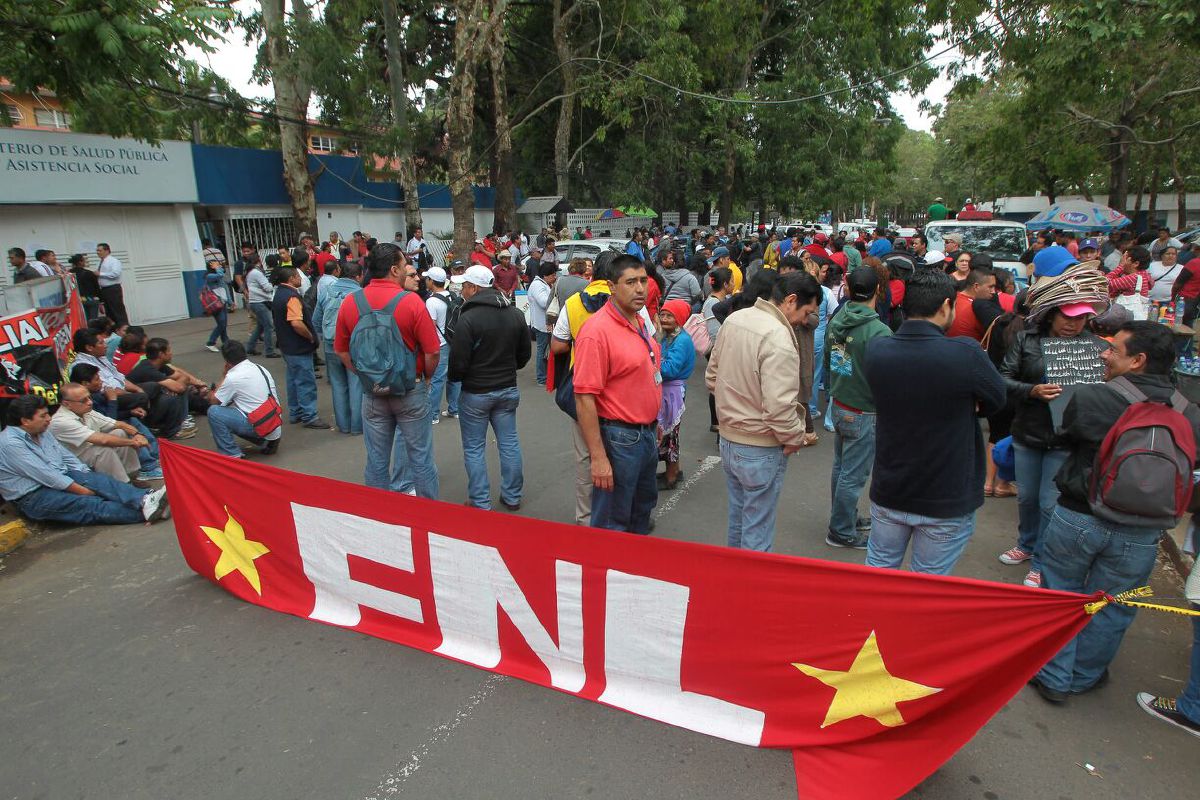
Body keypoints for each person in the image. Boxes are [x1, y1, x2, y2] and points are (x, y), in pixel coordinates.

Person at [1029, 322, 1200, 704]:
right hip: (1141, 532)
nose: (1105, 354)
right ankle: (1082, 675)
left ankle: (1054, 674)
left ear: (1138, 361)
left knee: (1059, 593)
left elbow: (1066, 434)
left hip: (1079, 514)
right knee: (1113, 606)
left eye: (1115, 350)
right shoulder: (1189, 414)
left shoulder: (1093, 398)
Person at [864, 269, 1007, 574]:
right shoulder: (965, 354)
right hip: (945, 495)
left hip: (891, 488)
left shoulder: (878, 349)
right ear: (946, 306)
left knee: (877, 576)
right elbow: (997, 400)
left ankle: (875, 624)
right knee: (927, 587)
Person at [706, 271, 820, 551]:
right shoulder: (778, 337)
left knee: (739, 519)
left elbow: (712, 377)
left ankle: (736, 581)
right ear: (791, 301)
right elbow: (779, 408)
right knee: (757, 527)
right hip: (760, 446)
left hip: (730, 440)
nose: (806, 321)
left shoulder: (736, 319)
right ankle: (750, 590)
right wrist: (795, 437)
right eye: (807, 312)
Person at [998, 297, 1106, 587]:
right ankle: (1026, 543)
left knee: (1049, 503)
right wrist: (1031, 390)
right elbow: (1003, 379)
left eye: (1081, 318)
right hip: (1028, 433)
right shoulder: (1025, 340)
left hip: (1066, 439)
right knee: (1026, 497)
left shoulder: (1095, 348)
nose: (1073, 324)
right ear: (1051, 315)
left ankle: (1042, 561)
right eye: (1068, 317)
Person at [335, 243, 441, 497]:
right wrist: (426, 378)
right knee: (421, 459)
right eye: (405, 265)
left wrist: (364, 375)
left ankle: (380, 520)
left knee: (376, 461)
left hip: (372, 392)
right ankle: (431, 519)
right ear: (394, 270)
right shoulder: (411, 303)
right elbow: (433, 351)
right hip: (409, 388)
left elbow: (341, 351)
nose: (407, 270)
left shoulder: (351, 302)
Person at [572, 254, 662, 534]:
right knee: (612, 521)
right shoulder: (597, 331)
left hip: (645, 434)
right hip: (620, 439)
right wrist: (598, 458)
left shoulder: (639, 321)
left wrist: (653, 424)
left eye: (644, 281)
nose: (640, 289)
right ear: (612, 286)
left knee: (641, 512)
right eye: (631, 282)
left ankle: (631, 571)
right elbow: (584, 397)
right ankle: (605, 574)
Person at [0, 396, 168, 525]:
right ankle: (149, 512)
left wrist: (87, 476)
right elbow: (45, 474)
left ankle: (145, 499)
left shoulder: (42, 431)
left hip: (62, 476)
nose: (48, 419)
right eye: (43, 416)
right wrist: (81, 489)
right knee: (90, 504)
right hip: (34, 496)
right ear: (25, 421)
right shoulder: (10, 443)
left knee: (98, 480)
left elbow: (65, 456)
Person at [448, 265, 531, 510]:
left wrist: (459, 378)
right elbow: (524, 355)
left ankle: (480, 500)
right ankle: (512, 495)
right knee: (509, 442)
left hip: (476, 391)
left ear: (474, 287)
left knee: (474, 447)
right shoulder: (514, 313)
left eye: (464, 285)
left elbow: (458, 362)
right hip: (506, 387)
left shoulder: (468, 317)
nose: (462, 289)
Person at [825, 267, 893, 549]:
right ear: (878, 289)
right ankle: (841, 530)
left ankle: (844, 517)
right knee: (853, 474)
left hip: (840, 401)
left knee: (842, 468)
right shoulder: (879, 331)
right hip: (864, 408)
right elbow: (887, 376)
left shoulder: (840, 318)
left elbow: (837, 360)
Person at [73, 328, 191, 441]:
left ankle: (167, 424)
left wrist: (138, 389)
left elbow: (120, 378)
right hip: (108, 398)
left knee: (155, 388)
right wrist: (135, 394)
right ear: (89, 347)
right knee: (150, 395)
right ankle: (162, 426)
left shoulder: (101, 358)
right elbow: (108, 391)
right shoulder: (83, 365)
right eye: (101, 343)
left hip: (122, 391)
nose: (106, 345)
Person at [49, 382, 162, 484]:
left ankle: (132, 476)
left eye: (89, 397)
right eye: (83, 400)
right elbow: (103, 439)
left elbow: (118, 424)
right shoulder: (61, 421)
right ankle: (123, 484)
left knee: (119, 432)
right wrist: (132, 442)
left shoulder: (86, 411)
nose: (90, 402)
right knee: (103, 450)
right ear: (67, 404)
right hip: (74, 462)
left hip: (89, 450)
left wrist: (138, 434)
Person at [270, 266, 330, 429]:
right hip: (297, 346)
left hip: (287, 345)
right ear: (291, 279)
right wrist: (310, 336)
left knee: (293, 379)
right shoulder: (292, 297)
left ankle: (296, 411)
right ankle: (309, 415)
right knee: (305, 381)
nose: (300, 279)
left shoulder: (279, 294)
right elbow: (296, 323)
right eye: (297, 276)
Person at [204, 341, 282, 458]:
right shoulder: (260, 368)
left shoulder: (232, 377)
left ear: (227, 361)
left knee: (214, 412)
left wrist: (224, 376)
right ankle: (267, 441)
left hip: (262, 426)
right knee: (241, 405)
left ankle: (232, 454)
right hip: (274, 424)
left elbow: (213, 401)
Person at [313, 260, 364, 434]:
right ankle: (357, 427)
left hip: (330, 344)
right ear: (359, 276)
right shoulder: (360, 294)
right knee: (356, 384)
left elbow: (316, 320)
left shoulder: (327, 291)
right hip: (353, 346)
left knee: (338, 384)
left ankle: (343, 425)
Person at [655, 300, 696, 491]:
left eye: (669, 316)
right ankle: (675, 470)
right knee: (670, 432)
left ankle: (671, 476)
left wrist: (652, 362)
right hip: (667, 390)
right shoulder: (668, 336)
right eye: (662, 314)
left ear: (679, 318)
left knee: (669, 434)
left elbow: (670, 369)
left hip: (673, 391)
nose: (664, 319)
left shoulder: (682, 340)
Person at [423, 266, 462, 423]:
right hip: (454, 341)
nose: (426, 281)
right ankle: (454, 409)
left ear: (432, 281)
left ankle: (432, 414)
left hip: (440, 343)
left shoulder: (432, 301)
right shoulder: (452, 295)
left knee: (437, 379)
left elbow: (430, 326)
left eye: (427, 279)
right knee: (454, 377)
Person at [703, 267, 735, 432]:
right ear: (725, 284)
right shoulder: (713, 303)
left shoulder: (724, 299)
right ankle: (716, 422)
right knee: (716, 386)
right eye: (732, 282)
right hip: (716, 350)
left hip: (721, 349)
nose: (734, 284)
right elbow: (715, 333)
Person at [945, 268, 997, 340]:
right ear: (976, 286)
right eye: (990, 287)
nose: (993, 292)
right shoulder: (977, 309)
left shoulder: (953, 298)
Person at [527, 262, 557, 386]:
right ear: (545, 275)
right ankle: (541, 378)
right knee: (542, 351)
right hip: (541, 324)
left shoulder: (542, 284)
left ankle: (545, 376)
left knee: (545, 351)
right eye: (553, 275)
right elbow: (544, 302)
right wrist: (555, 295)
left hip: (544, 323)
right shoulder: (537, 286)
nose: (555, 277)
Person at [244, 253, 278, 357]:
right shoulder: (256, 273)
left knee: (261, 326)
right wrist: (273, 283)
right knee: (268, 326)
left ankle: (250, 347)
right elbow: (267, 287)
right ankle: (269, 351)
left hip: (255, 302)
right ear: (258, 261)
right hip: (260, 302)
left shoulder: (250, 272)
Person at [1107, 245, 1154, 309]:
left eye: (1125, 258)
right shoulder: (1144, 275)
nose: (1121, 260)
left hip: (1127, 315)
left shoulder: (1133, 278)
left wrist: (1120, 266)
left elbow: (1104, 283)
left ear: (1136, 263)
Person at [202, 258, 234, 352]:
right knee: (222, 323)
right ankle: (211, 342)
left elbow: (226, 287)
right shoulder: (209, 276)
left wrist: (230, 302)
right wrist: (217, 269)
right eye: (216, 264)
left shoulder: (219, 275)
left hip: (222, 302)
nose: (219, 265)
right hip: (215, 304)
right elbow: (219, 275)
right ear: (211, 266)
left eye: (219, 264)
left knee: (223, 324)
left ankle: (226, 342)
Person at [95, 243, 128, 327]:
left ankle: (124, 328)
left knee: (117, 310)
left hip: (113, 289)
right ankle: (114, 329)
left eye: (100, 250)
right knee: (109, 311)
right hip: (104, 289)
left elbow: (115, 274)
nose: (98, 252)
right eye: (97, 250)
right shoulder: (99, 262)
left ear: (107, 251)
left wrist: (100, 274)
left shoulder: (113, 261)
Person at [68, 253, 102, 319]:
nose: (85, 262)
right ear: (80, 262)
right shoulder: (90, 273)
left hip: (78, 301)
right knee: (93, 320)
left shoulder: (69, 274)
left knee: (82, 320)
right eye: (84, 260)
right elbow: (96, 288)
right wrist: (101, 301)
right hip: (91, 299)